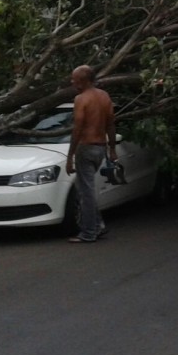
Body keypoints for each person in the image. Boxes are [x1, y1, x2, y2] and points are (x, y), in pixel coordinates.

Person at [65, 65, 117, 243]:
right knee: (86, 189)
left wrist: (70, 156)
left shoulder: (81, 99)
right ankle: (98, 225)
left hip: (86, 147)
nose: (72, 82)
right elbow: (111, 123)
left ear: (84, 81)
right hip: (100, 148)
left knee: (85, 192)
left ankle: (88, 232)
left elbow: (77, 128)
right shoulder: (104, 96)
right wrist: (112, 148)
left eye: (75, 80)